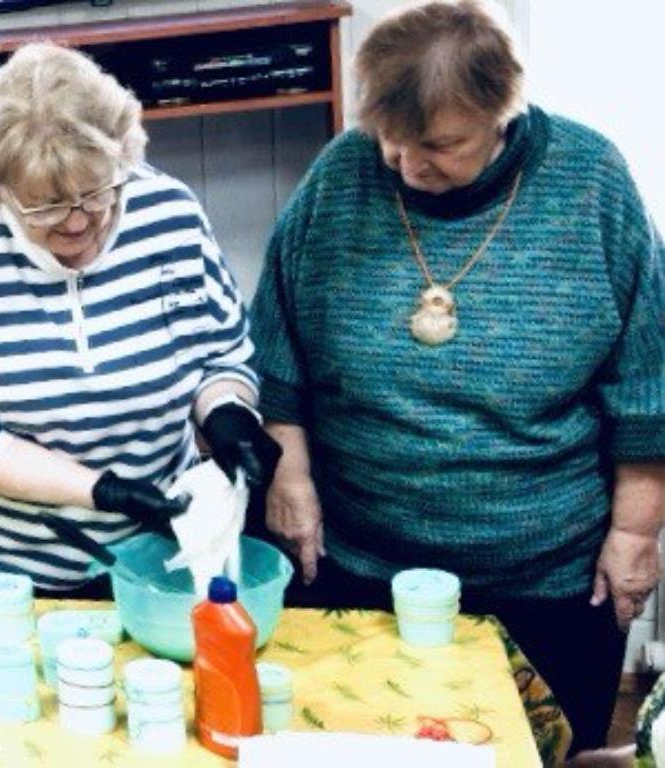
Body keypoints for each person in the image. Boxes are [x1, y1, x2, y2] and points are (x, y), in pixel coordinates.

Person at [249, 0, 664, 760]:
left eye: (441, 145)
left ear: (504, 112)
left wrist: (636, 534)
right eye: (392, 141)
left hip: (544, 581)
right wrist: (292, 477)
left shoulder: (591, 181)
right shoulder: (342, 174)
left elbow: (649, 387)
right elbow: (276, 351)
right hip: (359, 566)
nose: (409, 165)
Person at [0, 43, 280, 598]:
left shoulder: (169, 214)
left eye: (97, 193)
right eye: (46, 206)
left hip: (152, 537)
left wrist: (226, 411)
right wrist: (103, 491)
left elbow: (220, 354)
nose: (78, 222)